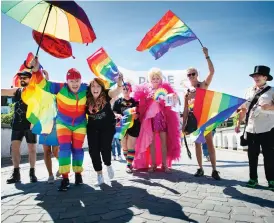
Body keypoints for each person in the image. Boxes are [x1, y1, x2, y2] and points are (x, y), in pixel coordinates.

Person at [30, 59, 87, 191]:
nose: (74, 84)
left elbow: (101, 91)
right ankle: (65, 178)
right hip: (63, 124)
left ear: (80, 80)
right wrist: (36, 70)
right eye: (71, 81)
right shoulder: (60, 88)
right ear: (67, 81)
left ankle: (78, 174)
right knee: (64, 150)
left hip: (80, 124)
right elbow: (43, 84)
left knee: (78, 149)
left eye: (77, 81)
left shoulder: (86, 88)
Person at [182, 47, 221, 180]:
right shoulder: (187, 92)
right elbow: (185, 110)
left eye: (193, 73)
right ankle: (200, 168)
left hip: (205, 118)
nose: (191, 76)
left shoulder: (203, 85)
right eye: (189, 74)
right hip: (193, 120)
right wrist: (183, 125)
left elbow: (212, 71)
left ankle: (215, 170)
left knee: (209, 142)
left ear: (197, 74)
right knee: (197, 143)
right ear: (187, 77)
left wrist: (207, 55)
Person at [133, 68, 181, 173]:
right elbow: (141, 106)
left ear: (160, 79)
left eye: (157, 78)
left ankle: (164, 165)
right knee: (152, 143)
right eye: (153, 78)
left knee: (164, 143)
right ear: (150, 80)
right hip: (151, 120)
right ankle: (153, 164)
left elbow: (173, 103)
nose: (155, 80)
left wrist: (172, 98)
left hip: (163, 118)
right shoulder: (147, 91)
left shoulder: (165, 90)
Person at [235, 65, 274, 191]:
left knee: (269, 156)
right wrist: (238, 123)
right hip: (251, 128)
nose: (256, 77)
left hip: (268, 128)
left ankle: (271, 180)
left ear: (265, 77)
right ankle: (253, 179)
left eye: (259, 75)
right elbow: (244, 109)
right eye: (254, 76)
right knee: (252, 155)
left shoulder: (272, 91)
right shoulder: (248, 91)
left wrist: (269, 107)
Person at [1, 68, 37, 184]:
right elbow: (2, 91)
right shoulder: (17, 91)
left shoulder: (35, 91)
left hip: (30, 124)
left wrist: (34, 122)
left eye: (24, 78)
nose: (22, 80)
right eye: (21, 78)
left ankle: (32, 173)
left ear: (30, 79)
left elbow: (39, 107)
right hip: (17, 124)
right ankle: (16, 173)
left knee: (32, 149)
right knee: (15, 148)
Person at [86, 76, 123, 185]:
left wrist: (119, 84)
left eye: (98, 86)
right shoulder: (86, 97)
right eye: (93, 86)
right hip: (92, 128)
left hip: (107, 127)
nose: (95, 88)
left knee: (105, 148)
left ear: (102, 88)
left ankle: (108, 164)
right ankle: (99, 175)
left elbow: (116, 91)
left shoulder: (107, 94)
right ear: (90, 88)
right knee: (93, 151)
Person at [113, 82, 141, 173]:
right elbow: (114, 112)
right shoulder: (118, 102)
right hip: (121, 126)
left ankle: (129, 165)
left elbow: (138, 114)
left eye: (127, 89)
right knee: (124, 147)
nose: (125, 90)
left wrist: (135, 115)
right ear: (122, 90)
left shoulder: (135, 101)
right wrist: (117, 115)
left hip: (133, 126)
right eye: (124, 89)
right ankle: (129, 162)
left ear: (130, 90)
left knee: (131, 146)